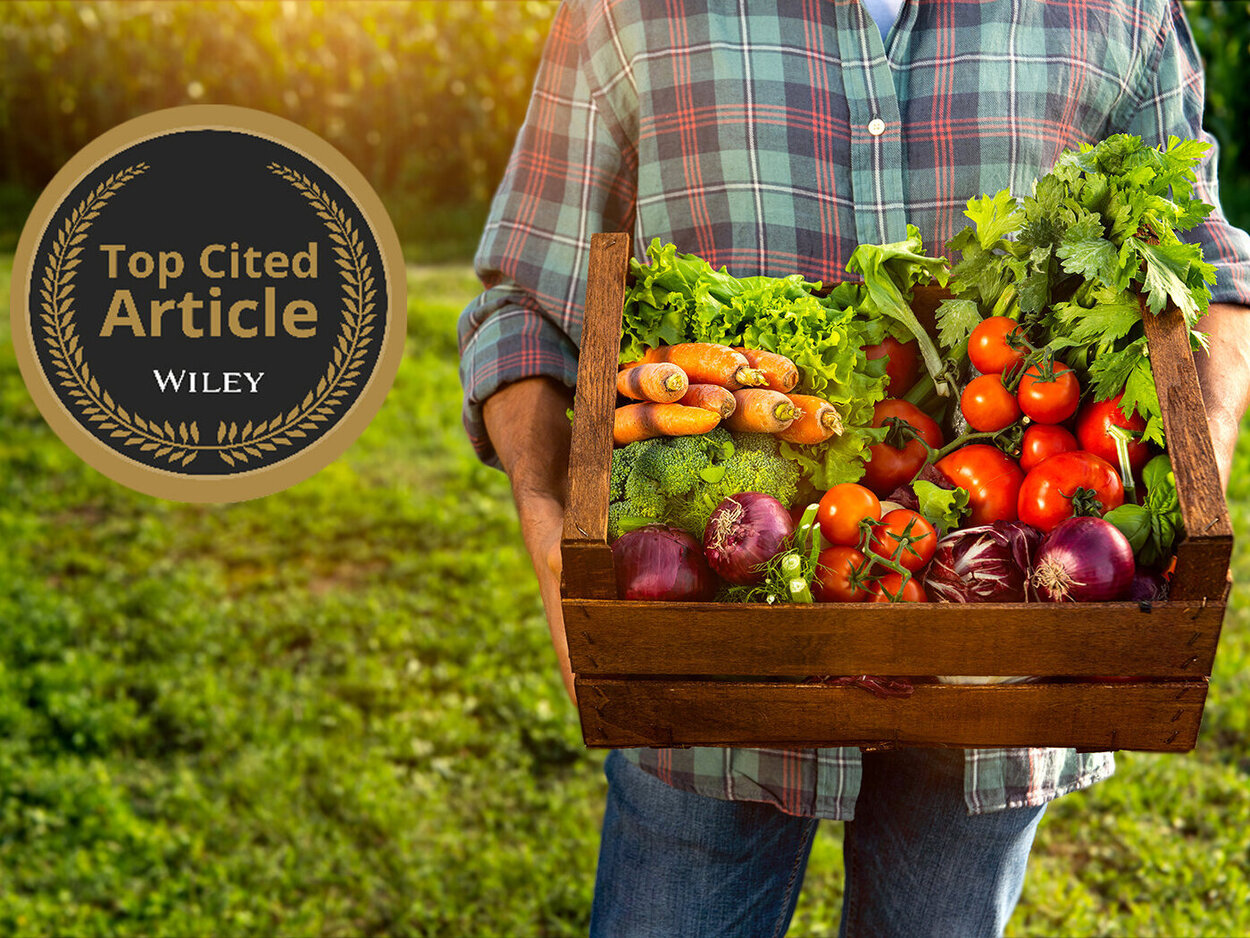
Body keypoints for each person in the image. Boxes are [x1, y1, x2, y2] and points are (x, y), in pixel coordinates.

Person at [457, 1, 1250, 935]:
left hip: (997, 647)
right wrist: (550, 521)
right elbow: (528, 303)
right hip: (707, 643)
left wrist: (1185, 486)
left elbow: (1207, 280)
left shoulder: (1120, 10)